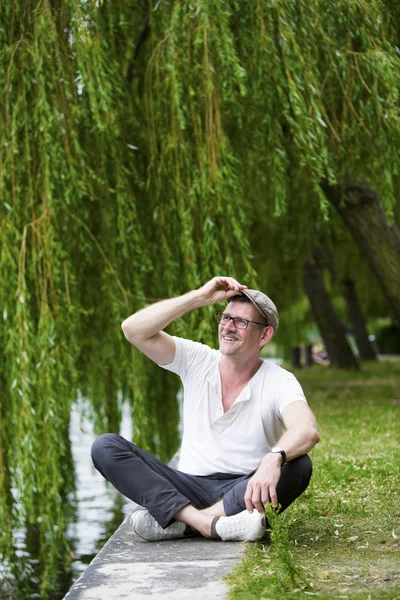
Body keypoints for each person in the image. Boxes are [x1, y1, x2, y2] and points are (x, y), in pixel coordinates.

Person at [91, 276, 320, 542]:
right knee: (105, 447)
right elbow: (133, 330)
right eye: (225, 318)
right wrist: (198, 297)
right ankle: (208, 523)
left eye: (241, 322)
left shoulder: (278, 379)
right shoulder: (196, 359)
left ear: (265, 335)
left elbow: (306, 428)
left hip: (245, 489)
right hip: (189, 485)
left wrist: (273, 458)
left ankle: (186, 523)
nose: (228, 327)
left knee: (299, 465)